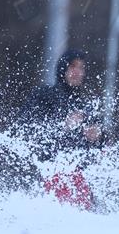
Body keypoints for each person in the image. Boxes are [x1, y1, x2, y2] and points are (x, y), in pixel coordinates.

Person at [22, 49, 103, 210]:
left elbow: (98, 147)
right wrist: (62, 126)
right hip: (47, 172)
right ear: (63, 69)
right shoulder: (44, 94)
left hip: (79, 178)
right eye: (73, 66)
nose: (78, 72)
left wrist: (96, 137)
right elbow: (25, 125)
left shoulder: (85, 105)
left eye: (81, 67)